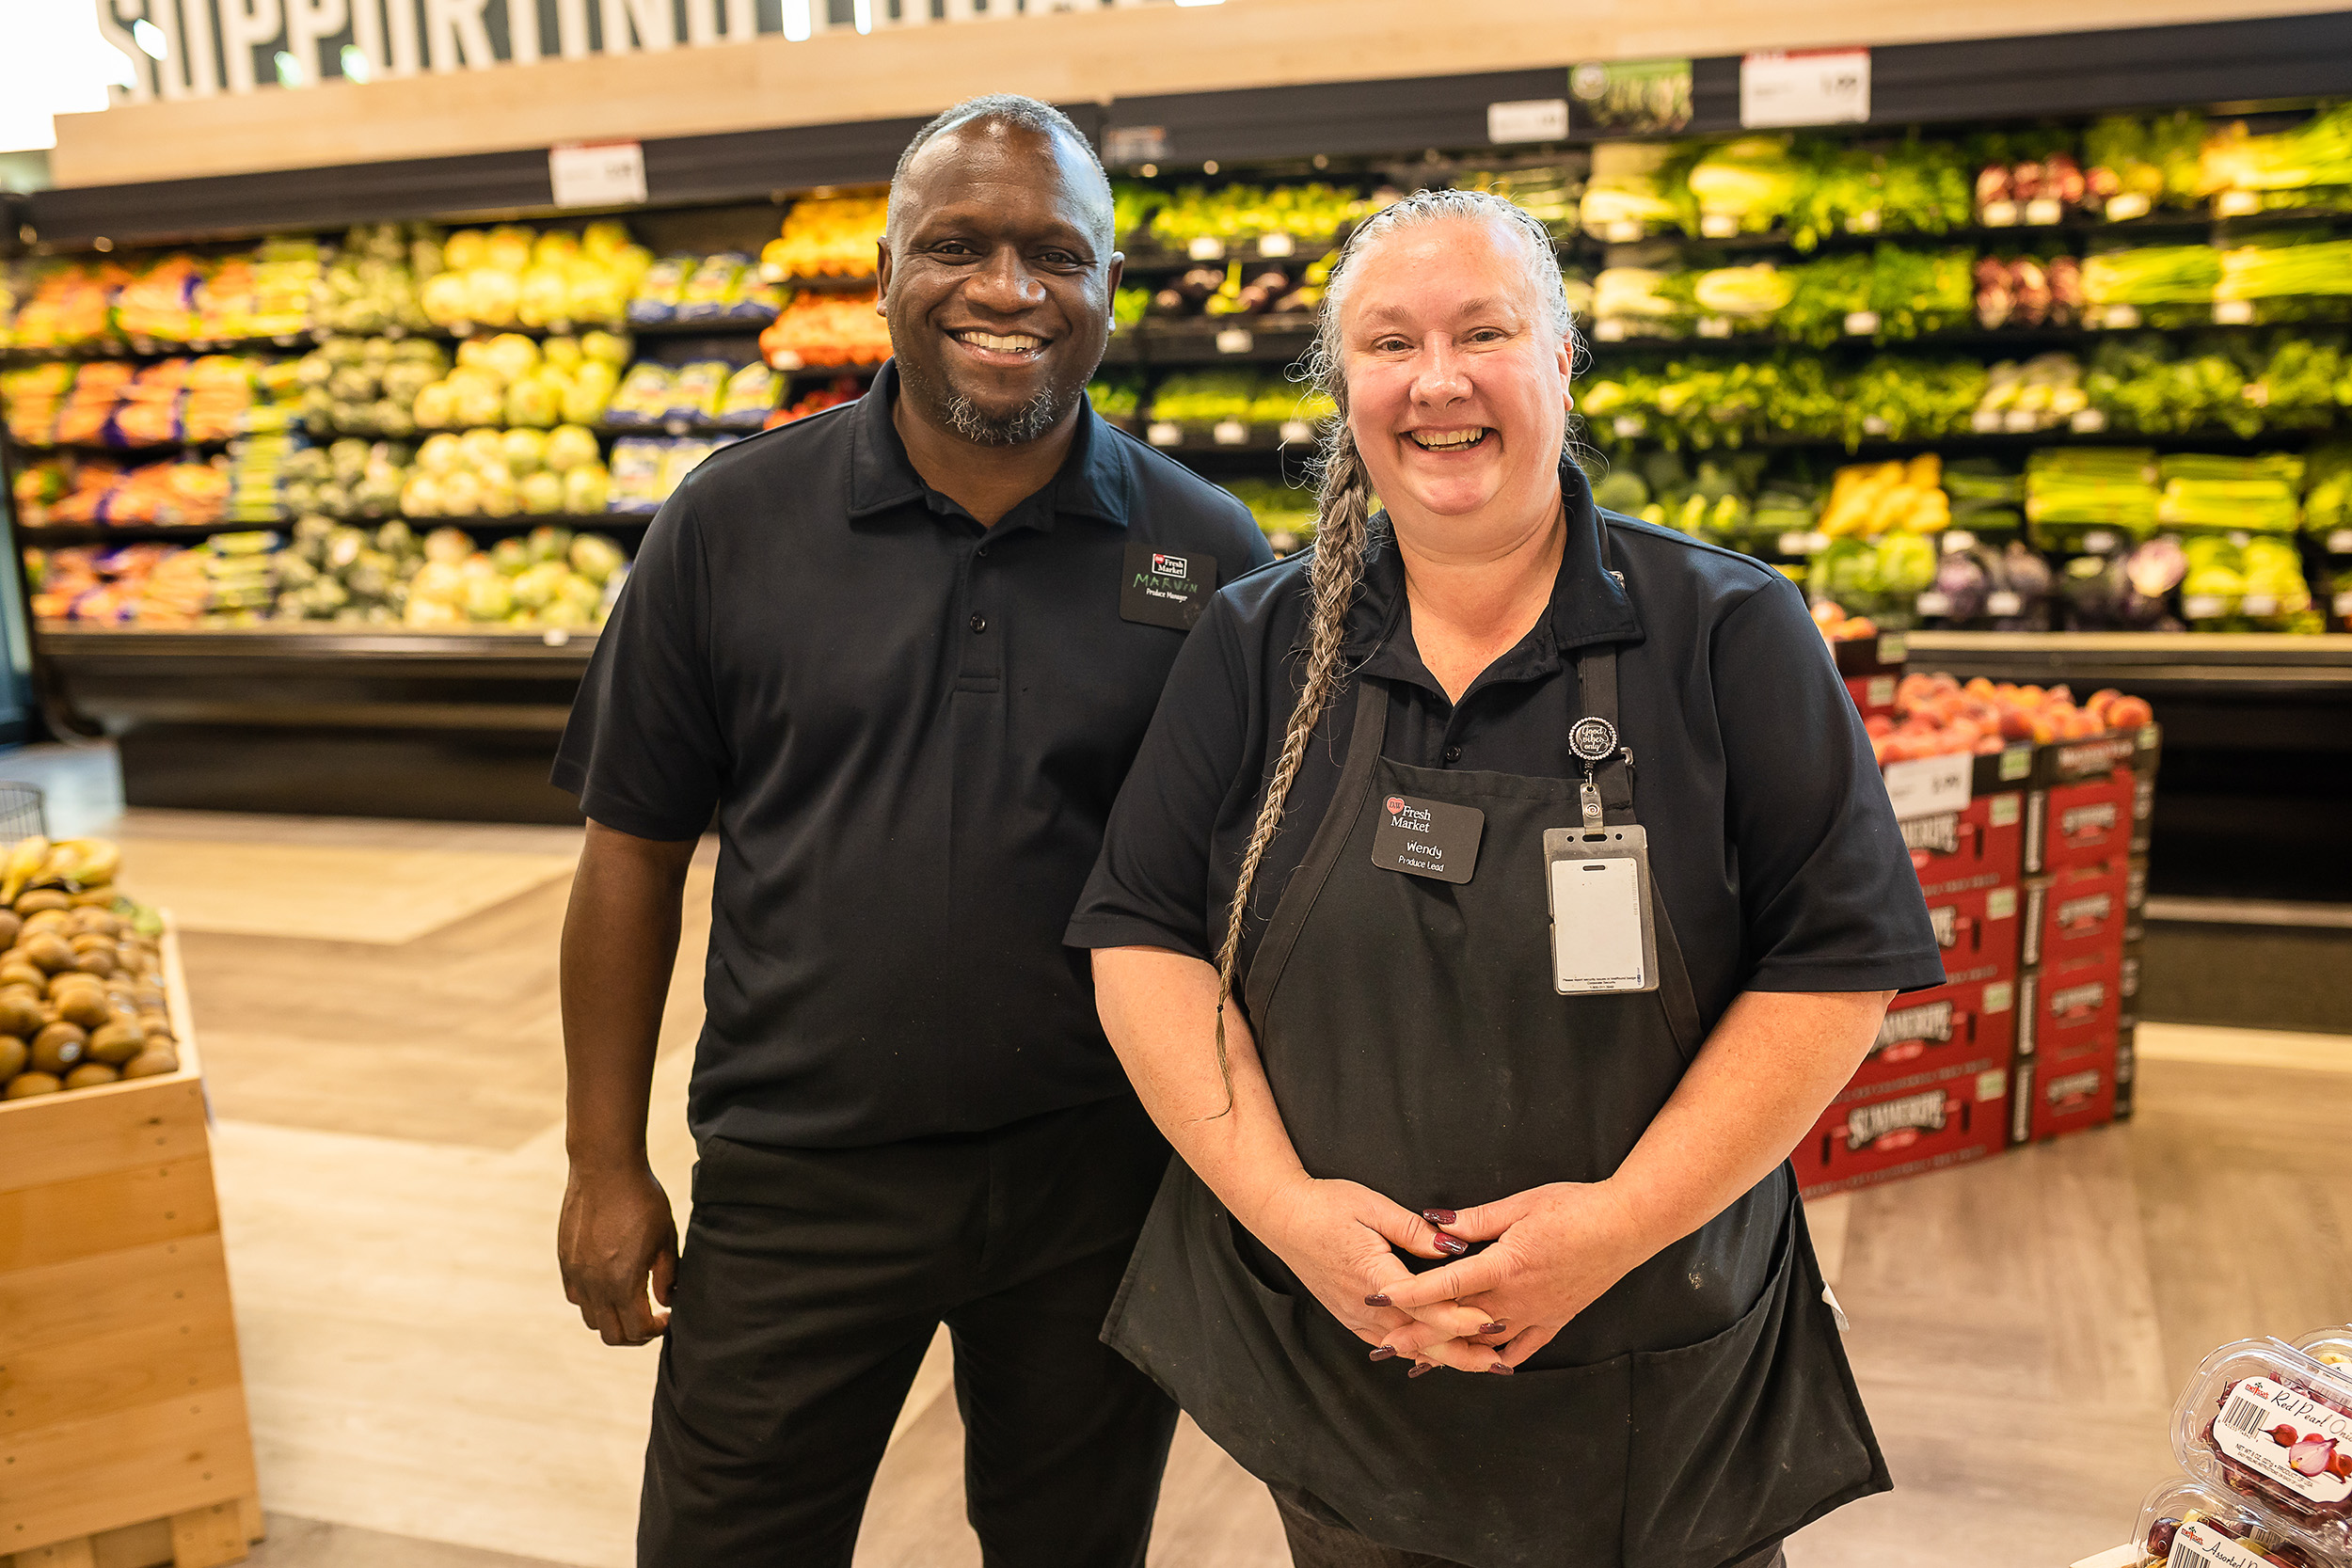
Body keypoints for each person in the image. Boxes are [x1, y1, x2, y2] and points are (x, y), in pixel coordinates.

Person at [1067, 186, 1946, 1568]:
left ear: (1561, 361)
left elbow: (1837, 972)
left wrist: (1612, 1232)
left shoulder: (1729, 631)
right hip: (1348, 1362)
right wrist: (1288, 1213)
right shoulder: (1255, 641)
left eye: (1485, 332)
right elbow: (1142, 942)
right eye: (1387, 343)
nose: (1438, 383)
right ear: (1341, 384)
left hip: (1648, 1359)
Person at [550, 94, 1272, 1567]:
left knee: (1073, 1546)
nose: (1007, 291)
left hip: (1102, 1177)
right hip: (797, 1170)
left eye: (1055, 255)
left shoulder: (1206, 553)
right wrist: (601, 1162)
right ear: (887, 273)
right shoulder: (728, 526)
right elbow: (632, 853)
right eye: (959, 246)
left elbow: (1251, 896)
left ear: (1107, 289)